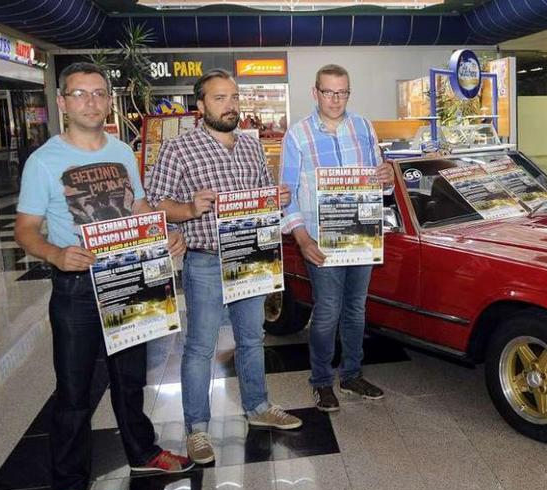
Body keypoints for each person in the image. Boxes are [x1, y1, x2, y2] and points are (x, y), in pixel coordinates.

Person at [14, 62, 193, 490]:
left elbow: (139, 205)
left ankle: (143, 453)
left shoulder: (121, 152)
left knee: (131, 380)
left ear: (108, 100)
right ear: (62, 102)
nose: (90, 101)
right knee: (74, 393)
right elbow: (24, 230)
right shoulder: (43, 162)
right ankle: (70, 482)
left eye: (98, 93)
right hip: (76, 289)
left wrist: (164, 230)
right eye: (79, 94)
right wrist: (56, 254)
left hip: (129, 280)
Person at [146, 69, 302, 466]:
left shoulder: (251, 147)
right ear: (201, 106)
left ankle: (258, 407)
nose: (230, 104)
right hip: (205, 260)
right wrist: (188, 208)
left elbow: (259, 200)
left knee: (251, 339)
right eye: (220, 98)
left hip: (250, 255)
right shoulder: (179, 149)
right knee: (200, 347)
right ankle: (197, 428)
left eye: (234, 97)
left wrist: (276, 197)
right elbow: (155, 203)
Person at [280, 64, 395, 412]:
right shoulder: (297, 135)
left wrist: (388, 176)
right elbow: (287, 195)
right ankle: (320, 380)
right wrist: (302, 238)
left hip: (361, 237)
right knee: (327, 312)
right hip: (321, 241)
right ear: (315, 93)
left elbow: (382, 183)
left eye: (342, 92)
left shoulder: (363, 128)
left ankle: (351, 375)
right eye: (329, 92)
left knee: (356, 311)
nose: (335, 99)